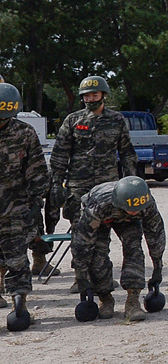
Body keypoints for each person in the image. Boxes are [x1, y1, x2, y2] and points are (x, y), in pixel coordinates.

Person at [50, 75, 137, 290]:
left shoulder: (117, 120)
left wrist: (132, 181)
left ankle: (102, 276)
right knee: (79, 233)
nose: (90, 99)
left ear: (104, 95)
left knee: (102, 233)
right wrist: (55, 184)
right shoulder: (73, 120)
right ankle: (81, 277)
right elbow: (60, 155)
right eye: (87, 96)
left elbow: (126, 153)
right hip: (78, 188)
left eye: (94, 95)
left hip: (107, 187)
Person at [71, 177, 164, 321]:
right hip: (103, 218)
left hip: (128, 223)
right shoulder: (98, 206)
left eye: (136, 209)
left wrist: (158, 267)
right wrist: (81, 276)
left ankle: (133, 301)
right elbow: (83, 242)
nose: (134, 211)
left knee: (134, 250)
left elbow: (155, 234)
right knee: (97, 255)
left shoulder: (146, 203)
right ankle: (105, 298)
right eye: (130, 209)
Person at [0, 83, 48, 322]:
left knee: (17, 257)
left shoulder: (24, 133)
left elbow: (37, 170)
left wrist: (35, 202)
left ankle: (19, 301)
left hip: (15, 207)